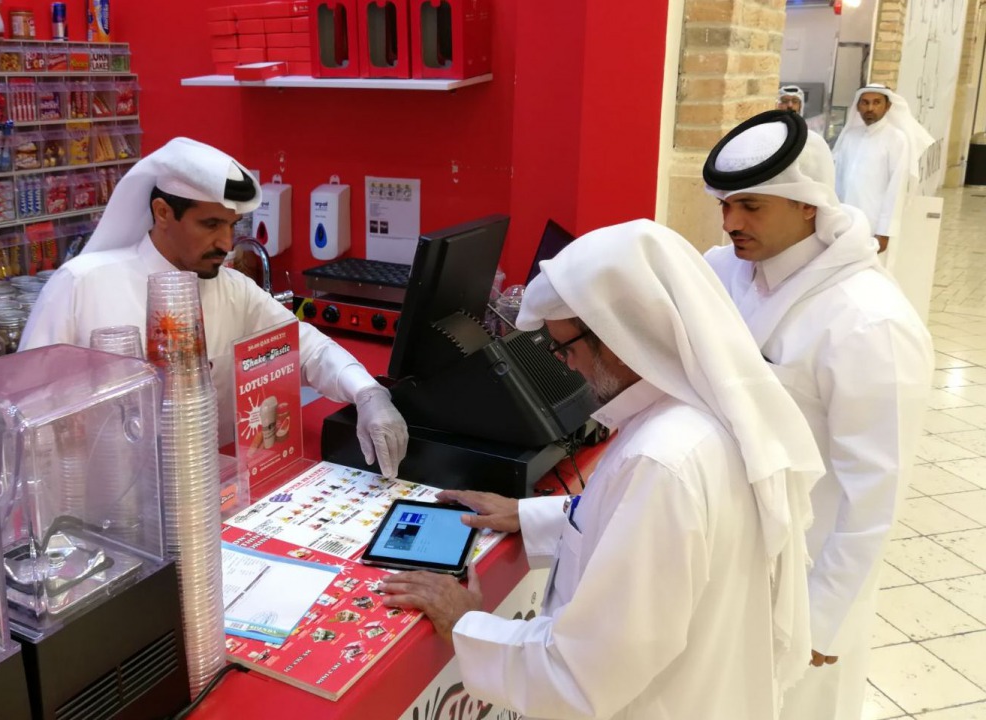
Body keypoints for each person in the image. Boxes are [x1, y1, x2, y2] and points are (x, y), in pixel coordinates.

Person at [380, 219, 825, 720]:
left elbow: (584, 675)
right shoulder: (694, 415)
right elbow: (637, 529)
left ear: (621, 334)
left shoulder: (663, 460)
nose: (564, 367)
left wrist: (468, 625)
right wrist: (526, 515)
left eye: (565, 348)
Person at [702, 109, 934, 720]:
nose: (731, 223)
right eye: (725, 205)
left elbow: (875, 491)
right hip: (729, 561)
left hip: (805, 581)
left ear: (807, 205)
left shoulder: (866, 319)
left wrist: (823, 617)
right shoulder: (726, 272)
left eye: (751, 206)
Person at [20, 137, 409, 477]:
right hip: (111, 504)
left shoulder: (232, 290)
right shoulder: (82, 285)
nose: (226, 243)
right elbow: (31, 414)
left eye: (233, 225)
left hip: (214, 493)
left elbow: (308, 349)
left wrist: (368, 394)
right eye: (210, 225)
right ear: (162, 213)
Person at [832, 84, 935, 254]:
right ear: (858, 107)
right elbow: (838, 180)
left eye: (876, 102)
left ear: (888, 107)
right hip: (845, 220)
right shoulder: (850, 136)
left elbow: (897, 188)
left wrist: (885, 231)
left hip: (874, 222)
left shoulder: (896, 139)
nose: (870, 108)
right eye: (865, 103)